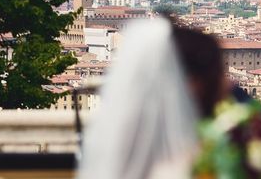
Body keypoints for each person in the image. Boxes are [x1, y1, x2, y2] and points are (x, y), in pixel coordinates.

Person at [78, 16, 225, 179]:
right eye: (219, 74)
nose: (226, 85)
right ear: (193, 83)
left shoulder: (115, 146)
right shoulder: (207, 159)